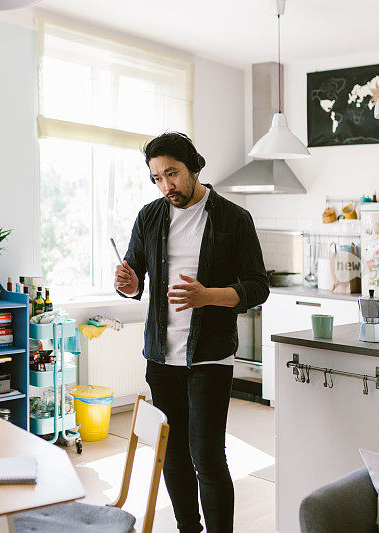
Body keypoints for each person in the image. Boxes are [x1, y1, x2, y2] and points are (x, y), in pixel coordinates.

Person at [115, 132, 269, 533]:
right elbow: (134, 277)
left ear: (194, 168)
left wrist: (208, 296)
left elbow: (258, 286)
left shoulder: (234, 219)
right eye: (157, 178)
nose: (167, 186)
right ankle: (188, 530)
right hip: (160, 357)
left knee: (207, 457)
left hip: (210, 356)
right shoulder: (149, 216)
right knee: (174, 455)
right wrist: (128, 285)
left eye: (173, 174)